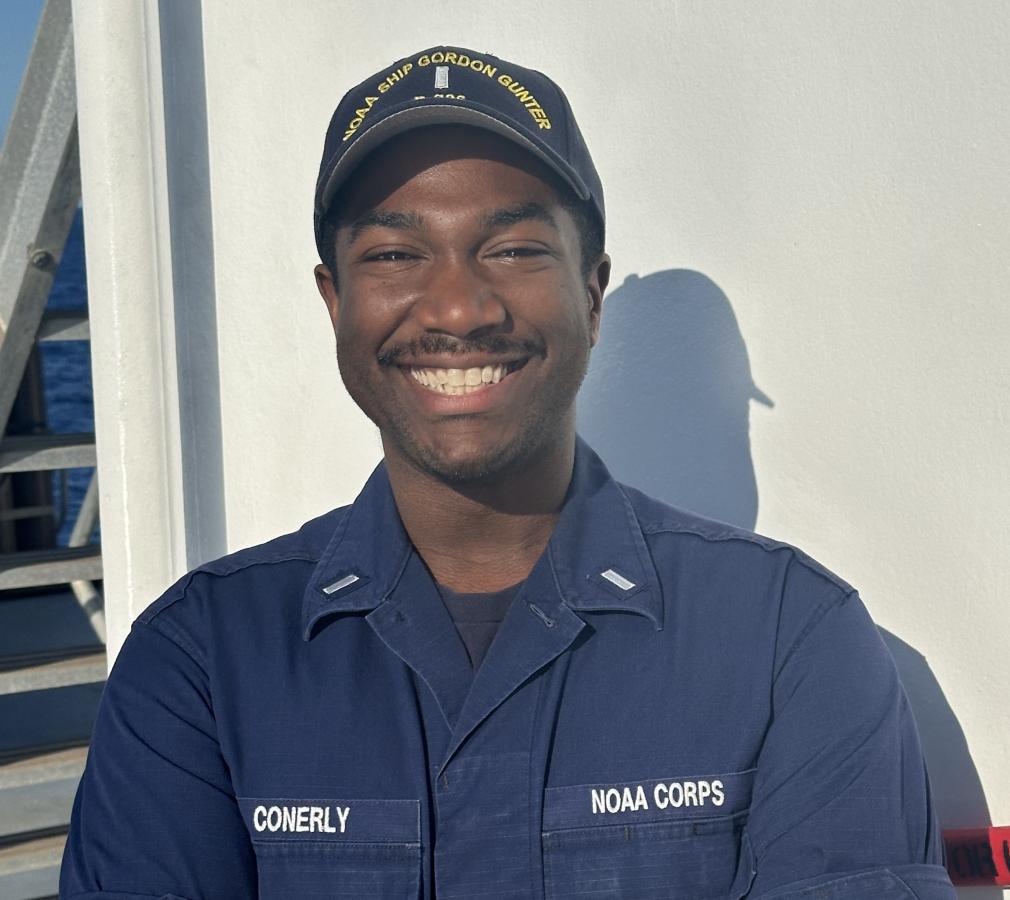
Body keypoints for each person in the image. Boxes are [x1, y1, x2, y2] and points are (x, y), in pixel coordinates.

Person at [61, 46, 955, 899]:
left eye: (515, 249)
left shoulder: (789, 638)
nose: (458, 306)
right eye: (395, 254)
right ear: (335, 302)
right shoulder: (204, 657)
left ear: (591, 296)